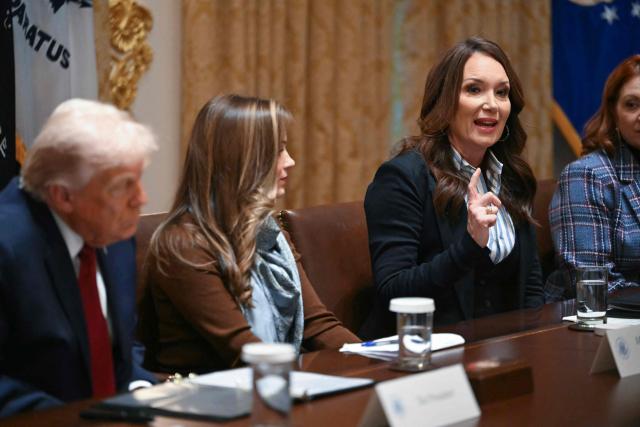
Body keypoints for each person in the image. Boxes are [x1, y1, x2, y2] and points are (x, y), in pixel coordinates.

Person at [140, 94, 358, 374]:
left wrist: (374, 362)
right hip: (212, 399)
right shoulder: (183, 244)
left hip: (268, 382)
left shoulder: (268, 230)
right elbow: (244, 349)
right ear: (242, 159)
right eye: (279, 151)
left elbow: (317, 324)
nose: (290, 161)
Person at [360, 37, 544, 339]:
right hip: (426, 354)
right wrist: (469, 246)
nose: (491, 105)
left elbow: (530, 284)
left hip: (507, 352)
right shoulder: (403, 177)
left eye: (502, 93)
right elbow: (392, 292)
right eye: (474, 89)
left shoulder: (512, 176)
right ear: (445, 100)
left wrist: (536, 344)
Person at [0, 99, 158, 417]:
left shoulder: (111, 235)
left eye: (139, 180)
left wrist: (141, 393)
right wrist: (83, 419)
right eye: (122, 186)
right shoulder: (8, 246)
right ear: (63, 195)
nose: (141, 197)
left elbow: (122, 347)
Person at [546, 55, 640, 301]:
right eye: (632, 104)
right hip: (596, 326)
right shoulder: (587, 176)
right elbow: (592, 282)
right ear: (614, 113)